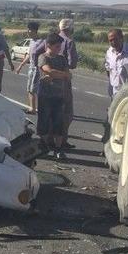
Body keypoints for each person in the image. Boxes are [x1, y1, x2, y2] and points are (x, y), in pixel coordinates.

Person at [37, 33, 71, 160]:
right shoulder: (43, 57)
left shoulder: (62, 59)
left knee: (59, 123)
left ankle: (58, 149)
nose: (59, 49)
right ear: (49, 45)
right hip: (45, 95)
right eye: (57, 46)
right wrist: (58, 74)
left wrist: (55, 75)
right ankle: (44, 147)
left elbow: (69, 75)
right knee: (44, 121)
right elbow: (47, 70)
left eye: (60, 46)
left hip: (59, 95)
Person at [57, 18, 79, 149]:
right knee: (67, 113)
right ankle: (62, 140)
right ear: (69, 28)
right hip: (64, 79)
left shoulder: (53, 39)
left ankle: (53, 139)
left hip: (52, 78)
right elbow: (72, 63)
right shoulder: (69, 42)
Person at [14, 21, 43, 114]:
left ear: (34, 30)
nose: (28, 31)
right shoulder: (31, 42)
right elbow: (29, 55)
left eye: (29, 29)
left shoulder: (41, 42)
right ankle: (32, 108)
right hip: (31, 67)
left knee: (33, 89)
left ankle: (34, 109)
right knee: (29, 89)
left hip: (37, 68)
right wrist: (20, 66)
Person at [104, 29, 128, 97]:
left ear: (122, 38)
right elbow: (108, 69)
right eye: (110, 40)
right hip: (114, 91)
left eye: (115, 39)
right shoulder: (109, 52)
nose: (113, 42)